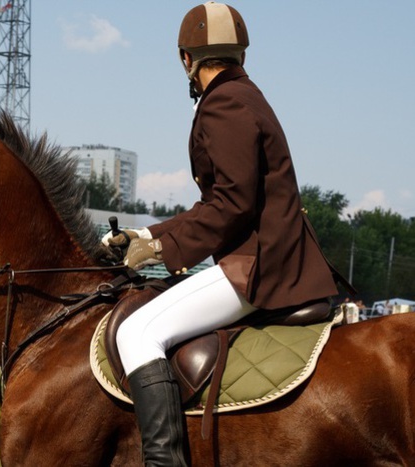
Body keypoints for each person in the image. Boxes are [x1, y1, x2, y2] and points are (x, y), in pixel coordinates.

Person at [101, 3, 346, 465]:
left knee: (137, 334)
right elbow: (215, 204)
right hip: (264, 256)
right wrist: (147, 233)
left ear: (186, 59)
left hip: (259, 266)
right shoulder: (245, 95)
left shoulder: (225, 104)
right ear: (241, 56)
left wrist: (159, 248)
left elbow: (233, 205)